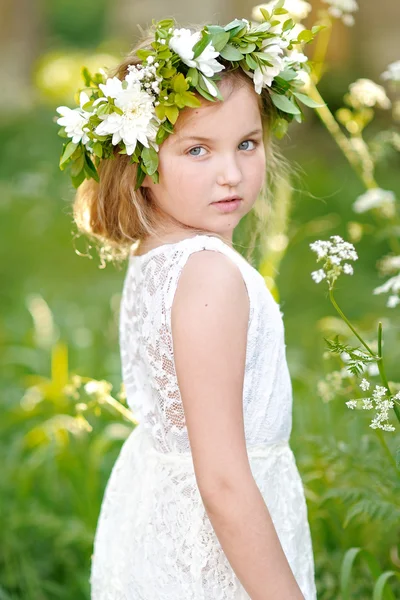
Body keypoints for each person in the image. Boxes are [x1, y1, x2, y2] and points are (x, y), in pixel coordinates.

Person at [56, 13, 318, 600]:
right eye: (197, 150)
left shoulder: (162, 254)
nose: (232, 174)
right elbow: (223, 481)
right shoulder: (209, 276)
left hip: (160, 525)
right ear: (142, 162)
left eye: (247, 144)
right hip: (208, 560)